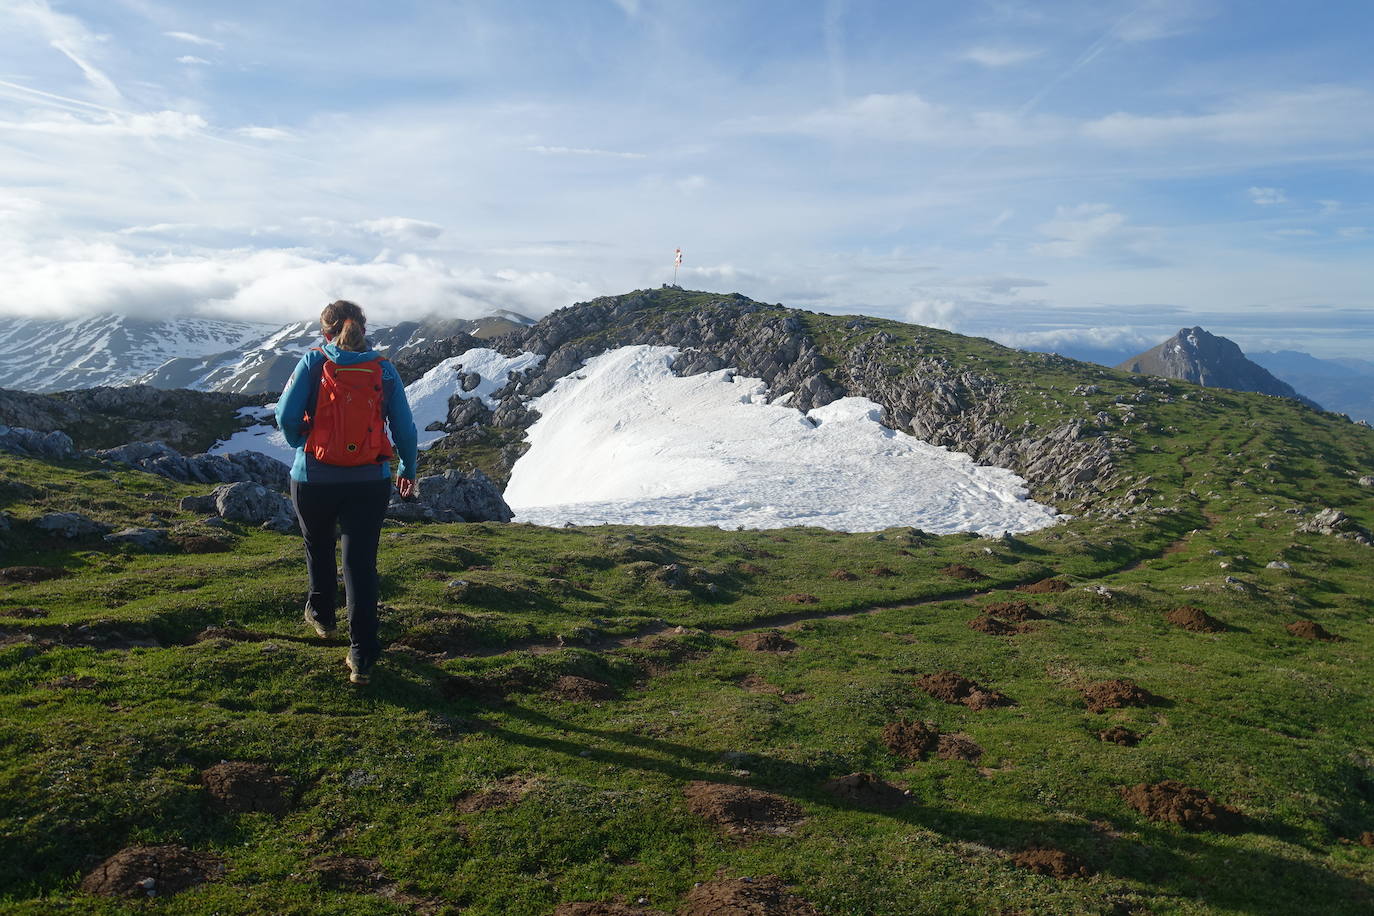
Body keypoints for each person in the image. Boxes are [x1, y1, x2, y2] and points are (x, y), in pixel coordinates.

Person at [275, 300, 418, 685]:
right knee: (360, 563)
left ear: (326, 332)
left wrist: (301, 439)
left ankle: (323, 617)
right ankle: (362, 655)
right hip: (369, 480)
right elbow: (404, 426)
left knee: (318, 544)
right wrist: (407, 467)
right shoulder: (384, 370)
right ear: (364, 328)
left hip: (313, 477)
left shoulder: (313, 362)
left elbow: (285, 415)